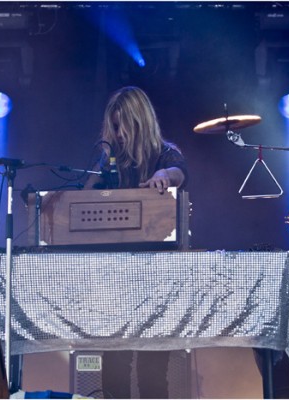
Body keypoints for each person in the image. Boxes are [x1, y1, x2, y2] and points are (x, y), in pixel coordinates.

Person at [85, 86, 188, 399]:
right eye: (113, 126)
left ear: (139, 121)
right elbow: (83, 194)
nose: (118, 133)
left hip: (157, 276)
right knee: (113, 364)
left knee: (152, 371)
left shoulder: (164, 153)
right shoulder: (111, 163)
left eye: (122, 125)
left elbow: (178, 172)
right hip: (115, 277)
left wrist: (163, 177)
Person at [85, 86, 187, 193]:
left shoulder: (165, 155)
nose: (119, 134)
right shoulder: (110, 160)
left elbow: (180, 173)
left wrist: (164, 174)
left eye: (126, 127)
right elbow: (86, 194)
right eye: (115, 127)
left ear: (142, 124)